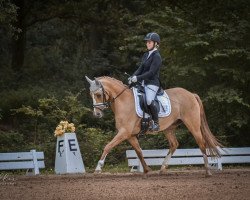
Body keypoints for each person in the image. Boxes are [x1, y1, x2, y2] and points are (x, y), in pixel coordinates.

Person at [128, 32, 162, 131]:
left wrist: (138, 78)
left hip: (152, 83)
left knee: (148, 100)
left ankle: (156, 123)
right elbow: (141, 68)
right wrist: (133, 76)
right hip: (143, 83)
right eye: (147, 42)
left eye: (149, 42)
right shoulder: (146, 55)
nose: (147, 44)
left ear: (156, 43)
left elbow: (151, 72)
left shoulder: (157, 56)